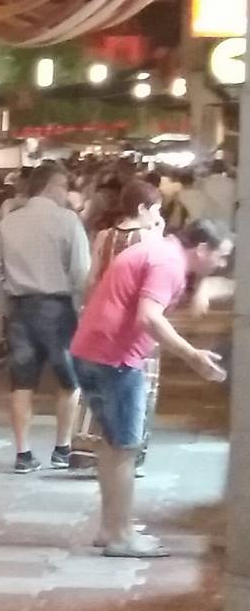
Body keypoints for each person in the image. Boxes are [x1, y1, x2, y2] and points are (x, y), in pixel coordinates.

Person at [72, 219, 231, 558]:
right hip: (115, 358)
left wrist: (204, 286)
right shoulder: (169, 263)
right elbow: (149, 316)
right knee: (125, 447)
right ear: (202, 249)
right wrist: (192, 355)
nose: (223, 264)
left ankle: (111, 527)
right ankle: (121, 535)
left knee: (113, 445)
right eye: (221, 256)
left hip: (91, 351)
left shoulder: (158, 252)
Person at [0, 164, 91, 474]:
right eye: (63, 185)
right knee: (69, 380)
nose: (66, 192)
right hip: (58, 309)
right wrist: (81, 306)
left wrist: (6, 295)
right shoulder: (68, 221)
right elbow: (81, 272)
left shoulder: (8, 223)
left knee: (21, 382)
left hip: (20, 308)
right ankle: (62, 448)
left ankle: (23, 453)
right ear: (51, 185)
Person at [68, 181, 165, 471]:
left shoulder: (105, 237)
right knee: (139, 388)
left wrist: (88, 311)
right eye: (156, 209)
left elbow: (92, 280)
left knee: (100, 387)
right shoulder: (150, 239)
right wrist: (159, 232)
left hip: (103, 320)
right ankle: (129, 454)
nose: (158, 215)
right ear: (142, 208)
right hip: (137, 324)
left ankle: (91, 450)